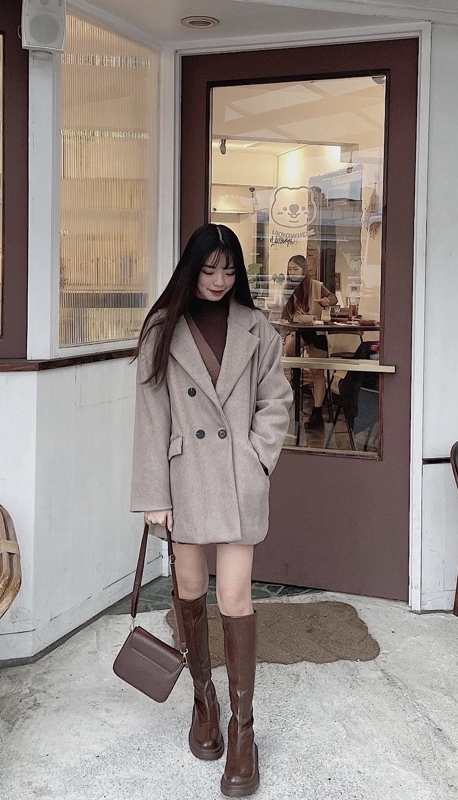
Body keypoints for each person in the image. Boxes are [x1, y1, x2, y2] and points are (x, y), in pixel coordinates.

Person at [130, 223, 292, 798]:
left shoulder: (257, 328)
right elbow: (151, 414)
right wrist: (154, 495)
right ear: (191, 268)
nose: (219, 280)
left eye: (229, 269)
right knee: (191, 590)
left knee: (236, 598)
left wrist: (257, 457)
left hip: (238, 480)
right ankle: (204, 699)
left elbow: (277, 399)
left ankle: (243, 731)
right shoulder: (162, 328)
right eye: (208, 269)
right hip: (186, 481)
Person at [281, 254, 338, 429]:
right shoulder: (287, 289)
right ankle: (294, 379)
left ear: (304, 270)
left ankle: (317, 412)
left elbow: (334, 298)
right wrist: (287, 326)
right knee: (289, 349)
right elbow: (284, 316)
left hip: (316, 330)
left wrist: (326, 301)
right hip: (298, 331)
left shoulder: (315, 285)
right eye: (290, 269)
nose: (292, 272)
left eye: (295, 269)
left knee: (318, 371)